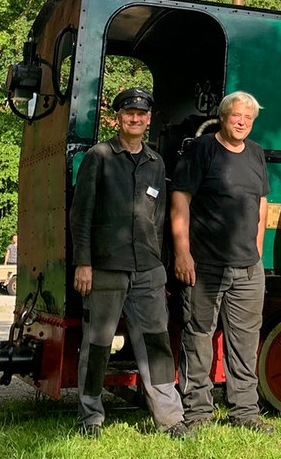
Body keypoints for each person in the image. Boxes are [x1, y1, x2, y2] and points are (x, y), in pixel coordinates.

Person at [69, 87, 190, 440]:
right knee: (98, 343)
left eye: (141, 114)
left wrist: (161, 265)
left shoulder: (156, 162)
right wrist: (83, 263)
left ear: (148, 118)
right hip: (106, 266)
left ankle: (169, 419)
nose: (135, 119)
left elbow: (159, 217)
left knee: (156, 343)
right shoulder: (99, 157)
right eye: (128, 114)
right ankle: (90, 417)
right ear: (117, 118)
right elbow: (82, 214)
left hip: (148, 270)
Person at [172, 91, 273, 434]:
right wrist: (182, 253)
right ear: (224, 117)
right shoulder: (202, 150)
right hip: (205, 265)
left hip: (247, 268)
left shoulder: (257, 154)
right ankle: (197, 412)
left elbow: (261, 205)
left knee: (245, 343)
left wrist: (256, 250)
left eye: (248, 118)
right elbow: (180, 202)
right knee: (198, 337)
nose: (242, 122)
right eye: (236, 116)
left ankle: (245, 412)